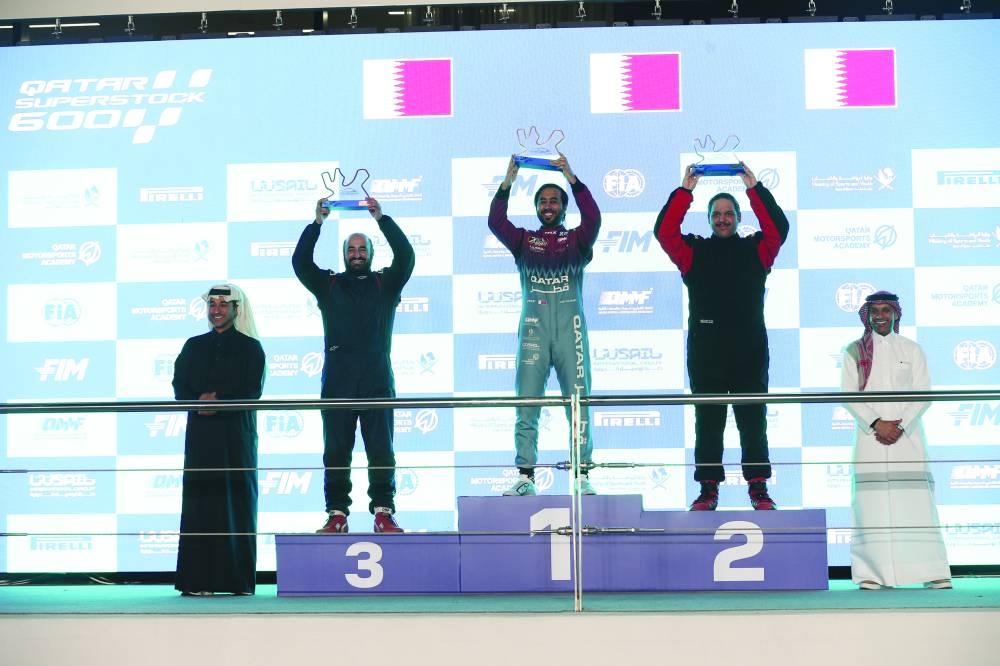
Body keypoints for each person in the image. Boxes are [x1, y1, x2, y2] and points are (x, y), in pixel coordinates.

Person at [654, 162, 789, 511]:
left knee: (752, 421)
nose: (723, 218)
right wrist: (685, 191)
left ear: (739, 217)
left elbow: (779, 229)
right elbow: (665, 233)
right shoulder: (693, 252)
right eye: (717, 213)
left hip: (749, 351)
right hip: (707, 352)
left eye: (730, 213)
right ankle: (708, 489)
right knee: (709, 423)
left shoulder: (758, 250)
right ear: (709, 218)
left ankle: (758, 488)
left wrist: (753, 186)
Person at [293, 195, 414, 533]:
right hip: (337, 384)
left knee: (381, 451)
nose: (357, 254)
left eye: (362, 249)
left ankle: (383, 512)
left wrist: (382, 219)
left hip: (377, 381)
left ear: (371, 255)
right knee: (336, 452)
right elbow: (301, 262)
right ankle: (336, 514)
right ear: (344, 255)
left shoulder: (385, 283)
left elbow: (406, 256)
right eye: (351, 249)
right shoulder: (328, 284)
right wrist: (317, 223)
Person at [489, 153, 602, 496]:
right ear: (536, 207)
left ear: (563, 207)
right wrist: (507, 183)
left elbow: (594, 218)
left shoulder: (578, 240)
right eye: (543, 201)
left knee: (578, 403)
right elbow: (496, 222)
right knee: (526, 403)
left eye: (554, 201)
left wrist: (572, 177)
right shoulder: (524, 240)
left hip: (571, 332)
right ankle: (525, 475)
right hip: (534, 333)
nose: (548, 205)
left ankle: (582, 474)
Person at [840, 290, 952, 590]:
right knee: (871, 505)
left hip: (907, 436)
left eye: (886, 310)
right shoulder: (854, 352)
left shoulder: (912, 349)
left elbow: (923, 393)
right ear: (867, 315)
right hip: (870, 438)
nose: (880, 316)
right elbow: (848, 396)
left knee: (916, 502)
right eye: (874, 310)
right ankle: (871, 574)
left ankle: (931, 571)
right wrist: (877, 424)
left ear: (895, 314)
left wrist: (899, 427)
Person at [172, 283, 266, 596]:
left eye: (223, 304)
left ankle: (236, 582)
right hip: (200, 438)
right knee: (200, 503)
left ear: (236, 309)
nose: (216, 310)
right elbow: (179, 387)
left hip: (236, 439)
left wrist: (218, 401)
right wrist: (199, 401)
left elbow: (251, 391)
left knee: (235, 502)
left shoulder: (251, 348)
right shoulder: (193, 345)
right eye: (212, 304)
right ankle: (197, 582)